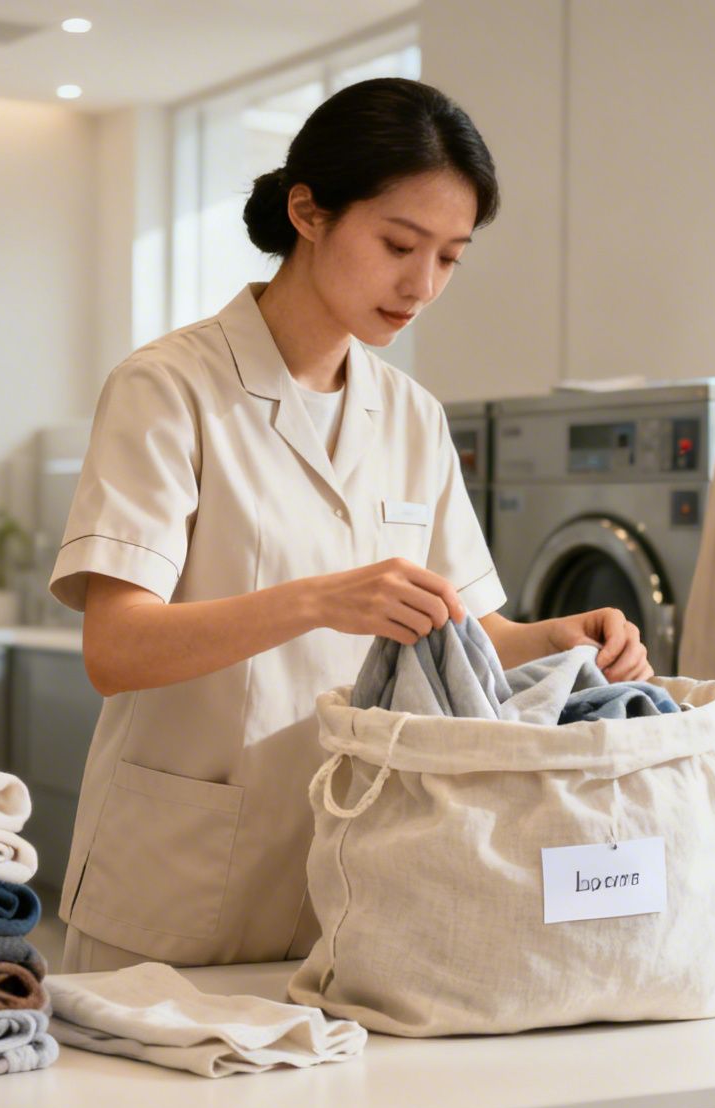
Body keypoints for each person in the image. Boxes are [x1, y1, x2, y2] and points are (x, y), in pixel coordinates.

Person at [48, 78, 654, 973]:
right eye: (399, 244)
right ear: (309, 211)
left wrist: (558, 640)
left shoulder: (411, 416)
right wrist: (319, 601)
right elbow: (118, 648)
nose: (422, 285)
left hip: (365, 874)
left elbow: (469, 630)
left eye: (450, 257)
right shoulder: (170, 388)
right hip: (179, 878)